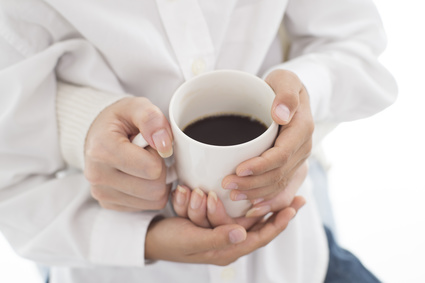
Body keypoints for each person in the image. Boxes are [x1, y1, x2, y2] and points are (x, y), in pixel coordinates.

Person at [0, 0, 397, 283]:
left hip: (295, 259)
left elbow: (355, 45)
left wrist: (304, 91)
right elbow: (13, 187)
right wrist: (146, 241)